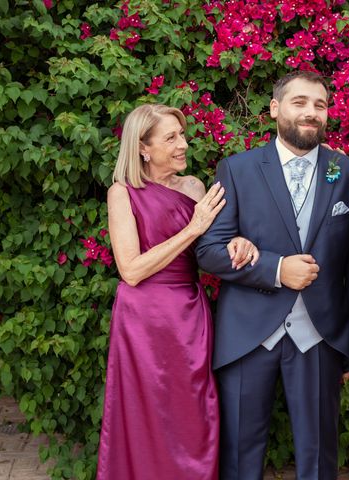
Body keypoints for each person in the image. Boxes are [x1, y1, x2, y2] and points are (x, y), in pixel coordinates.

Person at [196, 70, 349, 480]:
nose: (311, 113)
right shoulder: (237, 170)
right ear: (275, 108)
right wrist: (276, 269)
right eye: (300, 102)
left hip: (319, 335)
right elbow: (209, 251)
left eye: (320, 105)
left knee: (318, 455)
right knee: (240, 454)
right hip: (248, 336)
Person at [96, 104, 258, 479]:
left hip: (189, 314)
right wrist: (194, 226)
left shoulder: (193, 187)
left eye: (182, 135)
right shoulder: (122, 193)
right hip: (142, 319)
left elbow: (208, 250)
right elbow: (131, 270)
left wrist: (238, 242)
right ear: (143, 148)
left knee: (194, 411)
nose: (183, 144)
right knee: (144, 412)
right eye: (171, 137)